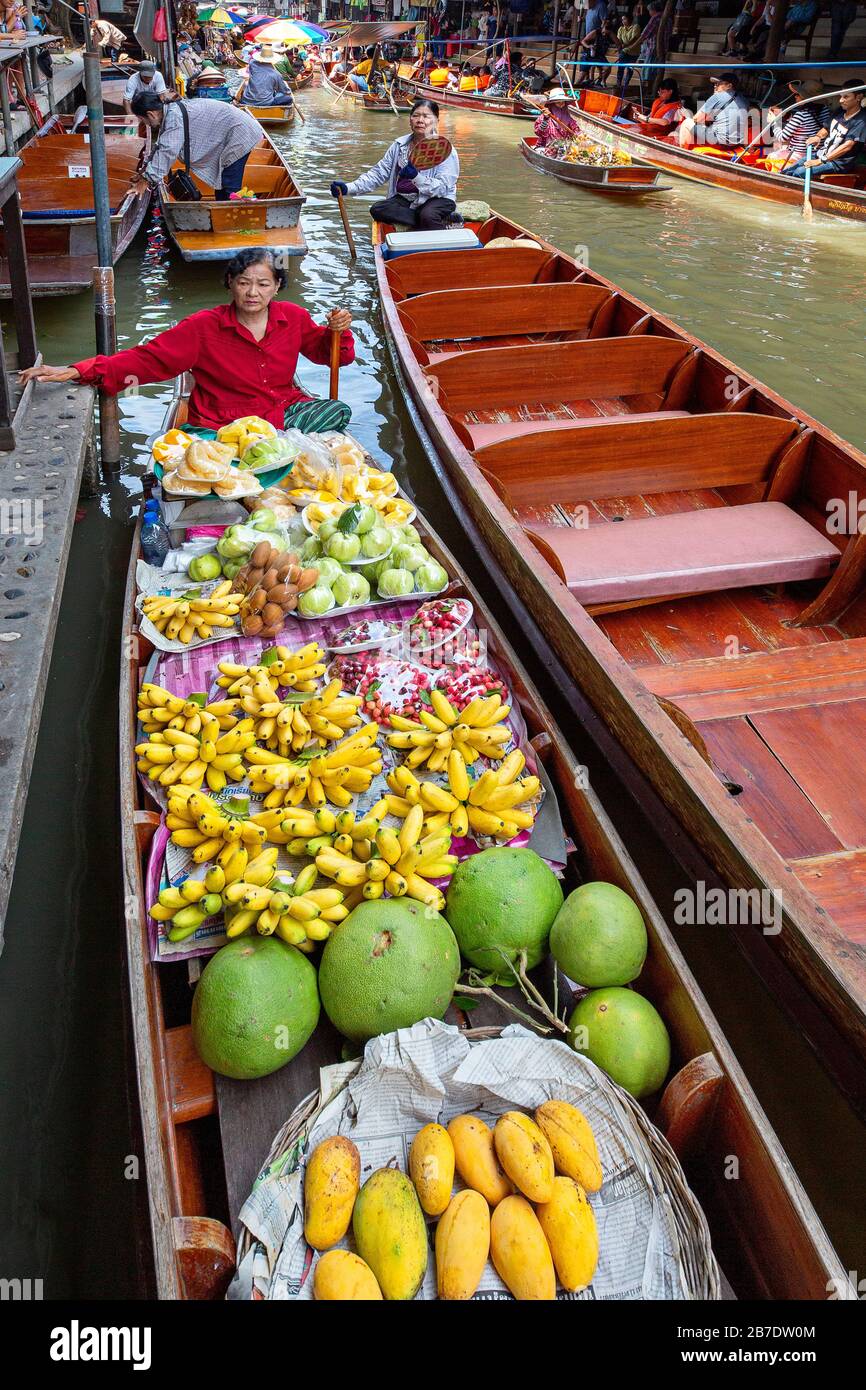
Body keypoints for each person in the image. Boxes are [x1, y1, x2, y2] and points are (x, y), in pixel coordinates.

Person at [19, 248, 355, 435]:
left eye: (264, 284)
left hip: (280, 412)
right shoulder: (203, 328)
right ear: (230, 284)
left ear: (277, 288)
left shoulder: (292, 317)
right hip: (223, 423)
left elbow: (331, 355)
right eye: (243, 282)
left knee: (337, 411)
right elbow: (147, 360)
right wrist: (78, 370)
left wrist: (336, 332)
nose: (253, 292)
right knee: (192, 449)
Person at [331, 98, 459, 232]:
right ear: (410, 120)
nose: (420, 120)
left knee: (428, 215)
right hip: (407, 199)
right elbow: (378, 174)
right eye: (415, 115)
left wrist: (416, 177)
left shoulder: (446, 150)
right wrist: (348, 188)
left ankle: (432, 228)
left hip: (438, 198)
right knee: (378, 209)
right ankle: (425, 220)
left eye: (426, 116)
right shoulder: (399, 145)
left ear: (436, 121)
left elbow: (443, 188)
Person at [129, 89, 263, 202]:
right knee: (222, 185)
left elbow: (168, 151)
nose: (144, 123)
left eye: (142, 119)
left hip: (241, 133)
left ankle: (231, 223)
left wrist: (146, 181)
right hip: (232, 131)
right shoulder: (170, 112)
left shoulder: (174, 117)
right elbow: (160, 146)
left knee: (229, 184)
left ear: (150, 114)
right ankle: (222, 214)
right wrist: (143, 173)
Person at [787, 83, 866, 179]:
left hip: (837, 163)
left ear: (859, 97)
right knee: (789, 169)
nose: (841, 100)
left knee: (799, 172)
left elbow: (847, 146)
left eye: (846, 97)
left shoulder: (862, 120)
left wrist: (821, 161)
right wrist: (818, 137)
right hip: (822, 154)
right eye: (841, 96)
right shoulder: (840, 110)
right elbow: (826, 128)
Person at [677, 71, 749, 148]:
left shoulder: (717, 96)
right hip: (736, 143)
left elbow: (697, 119)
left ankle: (684, 151)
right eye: (715, 84)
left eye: (719, 83)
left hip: (719, 141)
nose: (715, 86)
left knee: (687, 122)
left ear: (729, 85)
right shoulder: (744, 100)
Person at [766, 80, 825, 168]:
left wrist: (774, 122)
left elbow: (782, 137)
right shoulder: (824, 110)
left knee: (771, 157)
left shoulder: (801, 115)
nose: (795, 96)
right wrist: (786, 115)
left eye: (798, 94)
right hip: (816, 153)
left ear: (806, 98)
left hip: (799, 155)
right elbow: (805, 124)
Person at [234, 45, 294, 109]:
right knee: (289, 99)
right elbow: (285, 91)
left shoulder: (252, 63)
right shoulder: (276, 74)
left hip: (246, 101)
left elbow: (254, 64)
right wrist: (287, 90)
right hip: (265, 103)